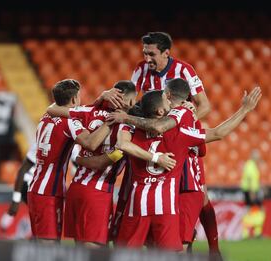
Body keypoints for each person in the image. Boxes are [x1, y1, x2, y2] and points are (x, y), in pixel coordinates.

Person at [114, 83, 261, 251]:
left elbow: (123, 143)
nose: (171, 105)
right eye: (167, 102)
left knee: (125, 254)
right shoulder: (180, 134)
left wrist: (125, 117)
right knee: (172, 255)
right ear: (161, 112)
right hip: (165, 208)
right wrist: (244, 110)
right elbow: (218, 133)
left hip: (137, 205)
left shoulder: (132, 132)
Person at [48, 80, 176, 248]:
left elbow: (51, 109)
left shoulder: (90, 111)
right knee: (95, 252)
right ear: (129, 102)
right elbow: (157, 125)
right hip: (97, 192)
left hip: (77, 188)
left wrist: (99, 98)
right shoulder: (129, 125)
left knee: (80, 252)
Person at [27, 79, 114, 244]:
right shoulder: (70, 122)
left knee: (40, 246)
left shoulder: (47, 115)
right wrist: (110, 122)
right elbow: (91, 143)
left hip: (35, 187)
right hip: (50, 192)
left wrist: (99, 100)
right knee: (49, 248)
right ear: (74, 99)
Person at [0, 143, 36, 233]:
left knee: (41, 220)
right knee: (40, 218)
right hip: (29, 184)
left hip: (41, 185)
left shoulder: (68, 141)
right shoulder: (41, 140)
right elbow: (22, 170)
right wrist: (15, 201)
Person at [240, 149, 265, 239]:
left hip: (253, 191)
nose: (258, 158)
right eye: (257, 157)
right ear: (254, 156)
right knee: (256, 211)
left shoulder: (252, 165)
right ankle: (249, 233)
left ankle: (252, 232)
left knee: (253, 211)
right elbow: (250, 179)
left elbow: (254, 179)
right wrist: (251, 192)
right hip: (250, 191)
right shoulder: (250, 165)